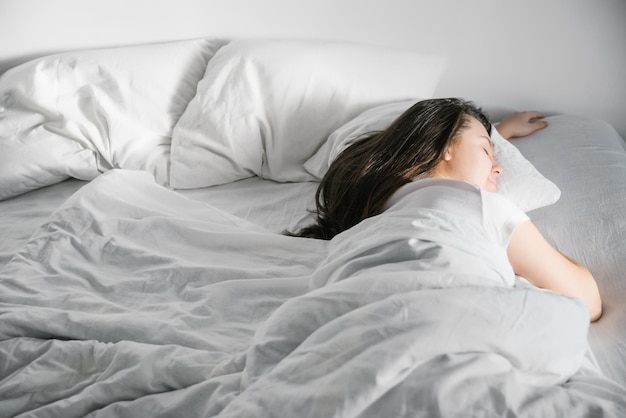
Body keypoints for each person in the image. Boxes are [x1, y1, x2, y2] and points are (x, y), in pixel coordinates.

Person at [289, 98, 602, 321]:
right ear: (444, 147)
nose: (499, 168)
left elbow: (445, 153)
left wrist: (495, 133)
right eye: (487, 151)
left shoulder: (381, 206)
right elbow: (588, 302)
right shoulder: (485, 207)